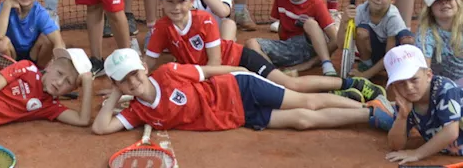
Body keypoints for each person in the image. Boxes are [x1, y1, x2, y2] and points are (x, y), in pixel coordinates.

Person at [144, 0, 381, 101]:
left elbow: (215, 64)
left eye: (181, 1)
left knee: (290, 85)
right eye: (169, 2)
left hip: (239, 61)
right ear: (161, 2)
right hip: (221, 75)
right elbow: (150, 63)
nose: (175, 7)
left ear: (191, 1)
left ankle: (352, 84)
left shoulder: (204, 21)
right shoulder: (162, 28)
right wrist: (130, 78)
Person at [93, 48, 394, 135]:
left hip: (239, 88)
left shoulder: (166, 73)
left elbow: (207, 72)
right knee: (302, 120)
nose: (133, 81)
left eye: (134, 73)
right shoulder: (138, 111)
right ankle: (368, 115)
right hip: (236, 117)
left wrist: (242, 72)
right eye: (124, 80)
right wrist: (118, 96)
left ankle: (370, 104)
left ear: (143, 68)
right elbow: (100, 128)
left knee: (306, 102)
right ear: (117, 83)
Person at [244, 0, 340, 77]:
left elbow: (335, 40)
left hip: (313, 50)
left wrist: (312, 62)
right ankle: (276, 74)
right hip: (289, 48)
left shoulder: (316, 3)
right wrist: (281, 48)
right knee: (251, 44)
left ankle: (326, 64)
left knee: (310, 24)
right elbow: (281, 26)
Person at [345, 0, 414, 80]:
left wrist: (365, 76)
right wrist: (344, 21)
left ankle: (396, 70)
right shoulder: (360, 10)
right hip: (375, 51)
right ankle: (367, 64)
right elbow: (341, 43)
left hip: (392, 53)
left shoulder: (393, 17)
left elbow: (390, 53)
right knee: (361, 32)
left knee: (408, 40)